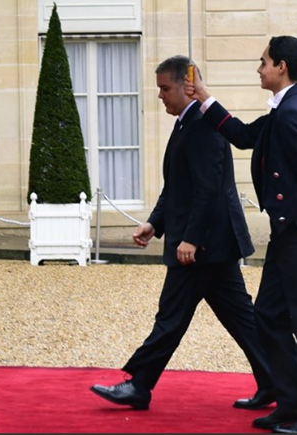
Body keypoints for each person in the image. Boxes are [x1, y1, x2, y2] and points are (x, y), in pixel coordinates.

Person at [184, 36, 297, 434]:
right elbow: (244, 135)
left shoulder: (293, 112)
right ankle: (290, 404)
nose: (259, 67)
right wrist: (204, 96)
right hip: (287, 235)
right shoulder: (283, 109)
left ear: (281, 66)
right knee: (267, 315)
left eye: (263, 61)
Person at [90, 55, 275, 412]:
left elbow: (207, 190)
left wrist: (192, 238)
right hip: (214, 245)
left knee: (171, 318)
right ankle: (278, 382)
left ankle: (139, 385)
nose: (160, 96)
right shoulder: (186, 123)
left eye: (165, 88)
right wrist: (154, 224)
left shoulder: (203, 126)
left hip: (203, 247)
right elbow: (177, 187)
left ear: (187, 87)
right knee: (243, 321)